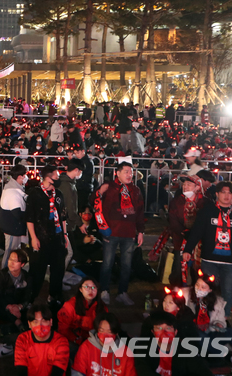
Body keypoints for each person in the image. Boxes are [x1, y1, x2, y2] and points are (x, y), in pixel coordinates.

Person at [183, 180, 232, 315]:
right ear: (217, 194)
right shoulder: (207, 212)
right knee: (206, 289)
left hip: (230, 261)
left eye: (230, 193)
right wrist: (187, 249)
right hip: (209, 258)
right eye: (223, 192)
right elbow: (197, 232)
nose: (227, 196)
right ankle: (205, 315)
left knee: (228, 291)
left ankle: (223, 318)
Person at [96, 161, 145, 306]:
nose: (130, 175)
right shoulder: (109, 188)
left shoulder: (135, 190)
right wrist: (98, 192)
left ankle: (122, 292)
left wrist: (140, 231)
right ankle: (104, 290)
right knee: (107, 263)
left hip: (129, 233)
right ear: (117, 173)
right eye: (126, 172)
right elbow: (93, 201)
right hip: (111, 232)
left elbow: (140, 212)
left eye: (131, 172)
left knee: (126, 264)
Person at [26, 165, 69, 304]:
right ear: (47, 177)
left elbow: (63, 217)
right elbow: (30, 218)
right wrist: (33, 237)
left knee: (58, 268)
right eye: (56, 176)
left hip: (57, 237)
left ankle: (55, 295)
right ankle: (30, 297)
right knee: (37, 268)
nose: (58, 179)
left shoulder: (59, 194)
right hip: (41, 237)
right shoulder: (35, 194)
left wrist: (65, 235)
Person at [134, 311, 211, 376]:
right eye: (159, 328)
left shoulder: (186, 351)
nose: (164, 332)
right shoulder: (143, 350)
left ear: (175, 332)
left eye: (168, 328)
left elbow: (204, 372)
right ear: (153, 332)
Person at [71, 312, 136, 376]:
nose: (105, 335)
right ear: (97, 331)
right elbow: (77, 372)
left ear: (116, 333)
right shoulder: (86, 347)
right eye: (101, 331)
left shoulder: (126, 353)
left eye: (109, 332)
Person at [14, 304, 70, 376]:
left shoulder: (61, 341)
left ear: (51, 322)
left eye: (44, 321)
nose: (40, 326)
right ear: (29, 324)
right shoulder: (22, 339)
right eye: (35, 322)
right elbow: (21, 369)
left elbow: (57, 372)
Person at [57, 277, 107, 347]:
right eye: (86, 287)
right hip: (74, 340)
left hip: (94, 340)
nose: (90, 290)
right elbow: (63, 329)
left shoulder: (101, 306)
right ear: (80, 289)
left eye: (93, 287)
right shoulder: (70, 306)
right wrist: (77, 339)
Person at [0, 249, 32, 335]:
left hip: (19, 305)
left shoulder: (26, 277)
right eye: (10, 259)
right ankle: (19, 324)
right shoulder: (2, 275)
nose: (11, 263)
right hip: (5, 305)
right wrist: (10, 307)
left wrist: (19, 307)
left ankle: (15, 326)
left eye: (15, 261)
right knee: (1, 308)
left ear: (22, 264)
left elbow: (28, 295)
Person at [0, 164, 28, 268]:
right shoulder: (12, 192)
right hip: (12, 227)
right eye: (25, 175)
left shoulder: (14, 187)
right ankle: (5, 273)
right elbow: (17, 213)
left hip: (13, 226)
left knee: (15, 249)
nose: (26, 178)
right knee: (10, 251)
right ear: (20, 177)